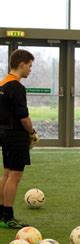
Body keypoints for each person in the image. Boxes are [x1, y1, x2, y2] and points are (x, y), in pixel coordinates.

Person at [0, 49, 40, 229]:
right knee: (14, 176)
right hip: (16, 136)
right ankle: (8, 216)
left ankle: (1, 213)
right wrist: (32, 133)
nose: (30, 70)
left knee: (7, 174)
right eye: (30, 66)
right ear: (21, 64)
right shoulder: (17, 87)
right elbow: (23, 116)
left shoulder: (2, 84)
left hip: (4, 134)